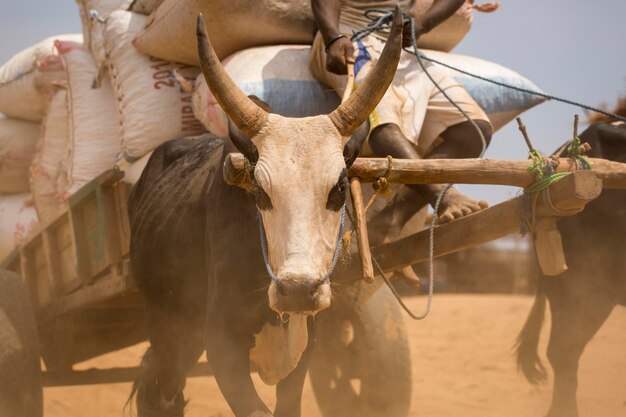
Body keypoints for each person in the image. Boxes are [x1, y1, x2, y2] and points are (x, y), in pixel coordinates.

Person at [309, 0, 497, 246]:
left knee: (475, 129)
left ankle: (390, 221)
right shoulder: (338, 37)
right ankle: (441, 195)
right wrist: (332, 37)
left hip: (400, 42)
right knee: (383, 119)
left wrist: (422, 23)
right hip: (348, 38)